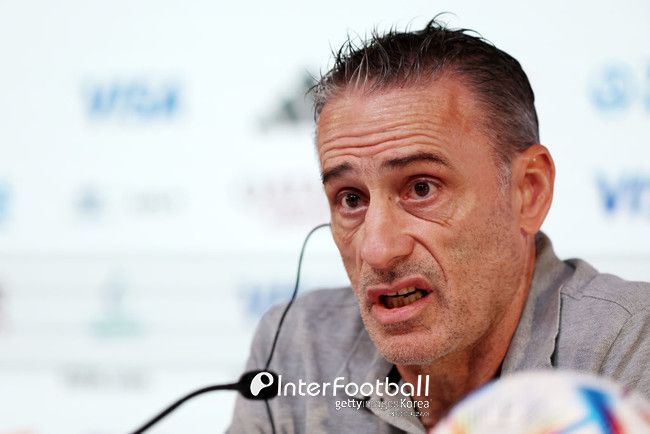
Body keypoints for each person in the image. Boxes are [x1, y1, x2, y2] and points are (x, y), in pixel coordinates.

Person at [228, 19, 650, 433]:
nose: (377, 250)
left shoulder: (628, 346)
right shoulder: (297, 349)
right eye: (351, 199)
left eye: (422, 188)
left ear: (528, 190)